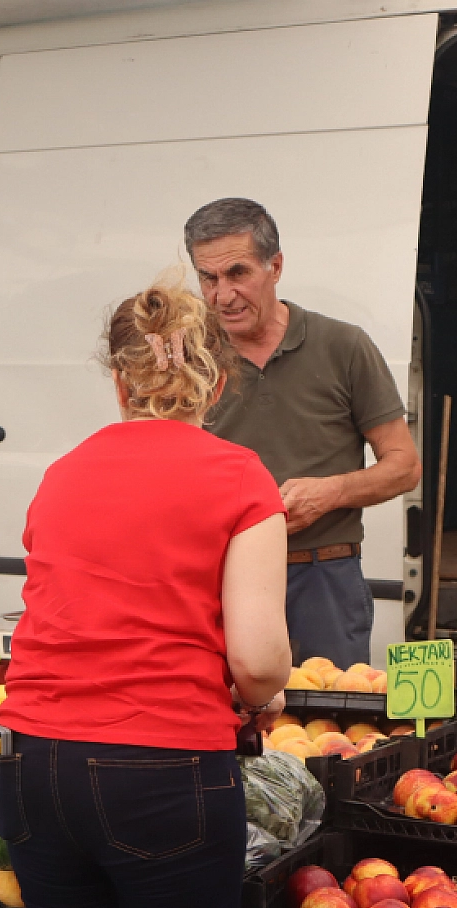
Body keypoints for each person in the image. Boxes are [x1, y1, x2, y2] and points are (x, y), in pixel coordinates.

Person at [0, 279, 292, 908]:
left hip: (30, 766)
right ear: (216, 383)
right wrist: (259, 691)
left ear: (120, 382)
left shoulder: (61, 475)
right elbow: (259, 659)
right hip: (163, 775)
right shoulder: (240, 477)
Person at [186, 197, 422, 667]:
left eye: (237, 273)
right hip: (217, 575)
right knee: (223, 709)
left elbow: (404, 466)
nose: (223, 296)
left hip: (324, 576)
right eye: (208, 278)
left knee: (331, 708)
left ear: (275, 266)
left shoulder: (343, 346)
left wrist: (331, 493)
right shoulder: (191, 358)